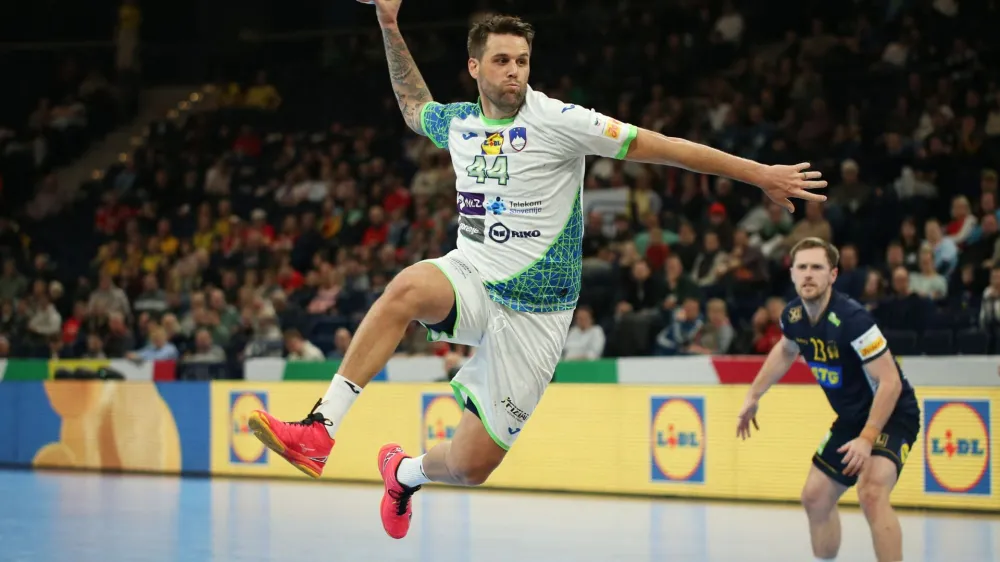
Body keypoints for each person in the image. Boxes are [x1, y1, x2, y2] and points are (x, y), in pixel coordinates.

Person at [248, 0, 828, 541]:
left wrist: (760, 175)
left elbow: (667, 146)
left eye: (522, 61)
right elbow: (411, 106)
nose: (514, 72)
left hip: (538, 314)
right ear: (474, 65)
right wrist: (389, 22)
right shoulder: (458, 123)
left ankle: (405, 475)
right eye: (501, 60)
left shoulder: (560, 120)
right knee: (406, 287)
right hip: (471, 277)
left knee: (472, 467)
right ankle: (320, 429)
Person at [736, 237, 920, 562]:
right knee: (815, 497)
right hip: (851, 419)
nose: (808, 274)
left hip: (892, 414)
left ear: (832, 275)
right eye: (802, 267)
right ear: (792, 274)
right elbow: (786, 350)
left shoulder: (854, 320)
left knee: (872, 493)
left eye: (817, 267)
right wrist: (753, 395)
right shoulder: (793, 316)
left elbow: (890, 382)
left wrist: (866, 439)